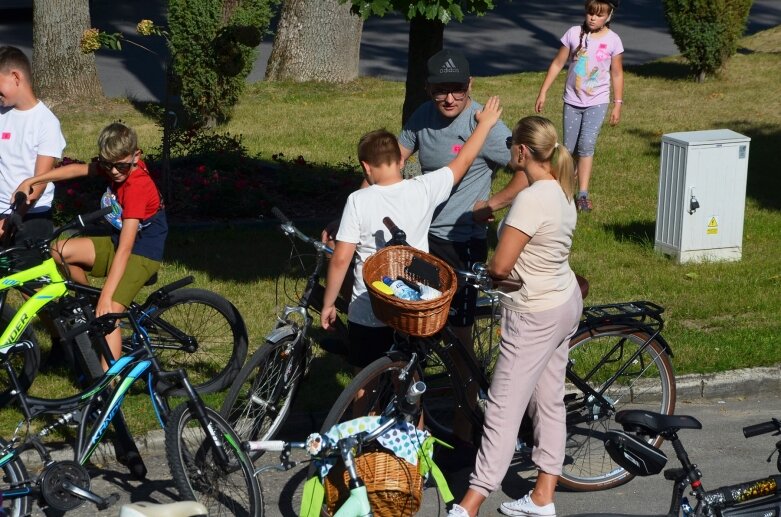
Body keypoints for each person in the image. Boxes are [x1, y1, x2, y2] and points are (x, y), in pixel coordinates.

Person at [447, 116, 583, 517]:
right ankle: (542, 496)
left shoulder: (531, 199)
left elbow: (502, 267)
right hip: (563, 300)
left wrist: (485, 272)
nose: (509, 152)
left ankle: (470, 503)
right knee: (548, 401)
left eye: (511, 145)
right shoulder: (560, 188)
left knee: (503, 408)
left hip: (534, 314)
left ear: (522, 151)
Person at [320, 97, 504, 371]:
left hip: (368, 309)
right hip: (411, 310)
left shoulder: (358, 200)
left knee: (364, 386)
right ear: (401, 161)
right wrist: (486, 124)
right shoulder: (423, 189)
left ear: (366, 167)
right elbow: (463, 161)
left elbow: (340, 258)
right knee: (408, 385)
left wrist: (329, 303)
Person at [399, 49, 528, 351]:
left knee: (458, 335)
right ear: (428, 88)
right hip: (423, 239)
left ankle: (467, 398)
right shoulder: (422, 115)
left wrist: (490, 205)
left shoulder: (485, 125)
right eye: (440, 90)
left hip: (461, 244)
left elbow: (529, 173)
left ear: (470, 84)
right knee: (416, 325)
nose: (449, 98)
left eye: (456, 89)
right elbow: (393, 162)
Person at [15, 122, 167, 368]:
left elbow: (127, 248)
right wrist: (35, 180)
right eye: (107, 165)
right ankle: (87, 305)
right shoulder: (116, 165)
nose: (114, 172)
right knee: (60, 250)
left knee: (109, 316)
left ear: (136, 156)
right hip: (120, 240)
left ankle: (109, 391)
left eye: (121, 165)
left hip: (142, 251)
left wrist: (107, 297)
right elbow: (75, 170)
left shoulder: (137, 187)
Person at [535, 0, 624, 212]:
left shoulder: (613, 41)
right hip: (572, 101)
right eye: (590, 13)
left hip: (598, 101)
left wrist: (617, 104)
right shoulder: (573, 34)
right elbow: (558, 63)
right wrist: (544, 91)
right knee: (569, 148)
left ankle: (582, 194)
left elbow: (617, 73)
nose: (593, 18)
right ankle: (563, 187)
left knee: (586, 145)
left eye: (599, 15)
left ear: (609, 16)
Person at [0, 45, 66, 244]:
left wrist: (9, 223)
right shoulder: (2, 114)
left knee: (23, 274)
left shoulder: (46, 123)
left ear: (16, 77)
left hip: (31, 214)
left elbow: (39, 183)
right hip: (3, 212)